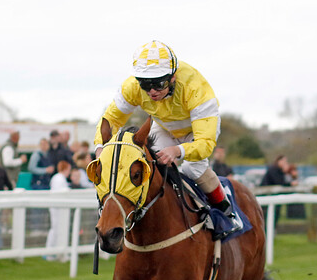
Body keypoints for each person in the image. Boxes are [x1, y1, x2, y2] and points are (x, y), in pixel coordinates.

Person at [93, 40, 238, 225]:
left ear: (173, 77)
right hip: (163, 125)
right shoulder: (132, 86)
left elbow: (205, 144)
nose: (152, 91)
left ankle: (225, 211)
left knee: (192, 169)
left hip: (197, 129)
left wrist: (177, 151)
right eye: (145, 85)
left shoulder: (196, 89)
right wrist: (100, 148)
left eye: (159, 84)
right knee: (152, 166)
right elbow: (110, 119)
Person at [46, 161, 72, 261]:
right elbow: (61, 193)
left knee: (57, 229)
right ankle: (50, 252)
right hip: (57, 208)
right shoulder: (59, 178)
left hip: (58, 208)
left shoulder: (59, 178)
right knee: (56, 229)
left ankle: (54, 252)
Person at [260, 155, 294, 225]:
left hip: (273, 196)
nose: (286, 163)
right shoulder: (273, 169)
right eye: (284, 161)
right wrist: (290, 183)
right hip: (267, 196)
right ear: (279, 161)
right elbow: (279, 182)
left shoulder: (279, 170)